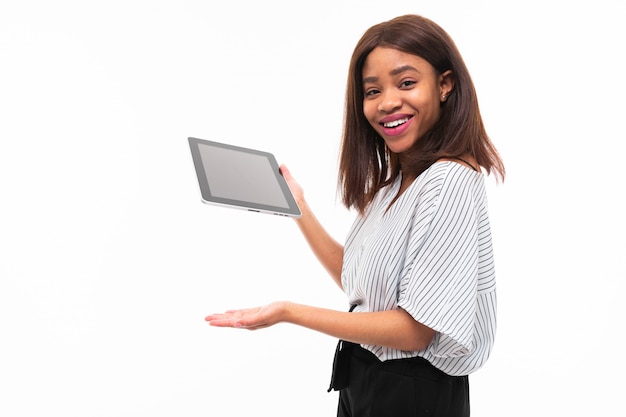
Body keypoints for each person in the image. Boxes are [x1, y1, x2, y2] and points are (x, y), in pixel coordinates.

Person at [205, 14, 505, 417]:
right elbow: (360, 279)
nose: (387, 102)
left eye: (407, 82)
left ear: (445, 84)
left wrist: (289, 312)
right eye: (372, 90)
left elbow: (415, 331)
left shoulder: (450, 181)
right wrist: (299, 208)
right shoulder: (395, 185)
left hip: (412, 394)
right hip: (364, 377)